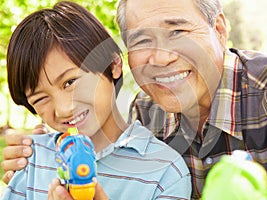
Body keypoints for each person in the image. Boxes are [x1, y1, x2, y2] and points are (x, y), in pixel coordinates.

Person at [2, 0, 267, 199]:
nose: (161, 58)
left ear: (219, 30)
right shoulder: (145, 113)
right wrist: (33, 152)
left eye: (178, 31)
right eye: (142, 40)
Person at [1, 1, 191, 199]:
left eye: (70, 82)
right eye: (40, 99)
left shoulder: (166, 172)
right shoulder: (31, 160)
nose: (64, 109)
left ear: (114, 63)